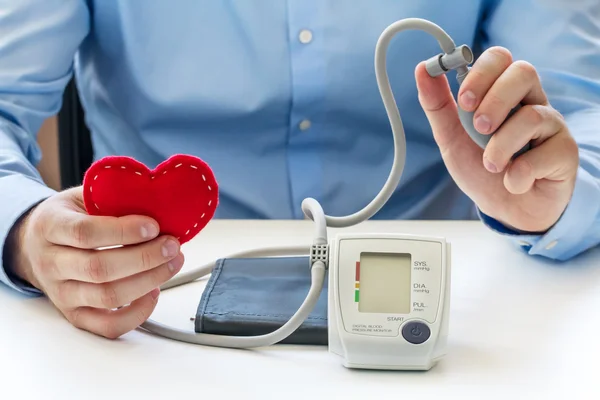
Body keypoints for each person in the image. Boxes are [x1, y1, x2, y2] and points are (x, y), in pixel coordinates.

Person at [1, 1, 599, 339]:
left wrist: (557, 198)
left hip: (456, 315)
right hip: (153, 317)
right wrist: (26, 231)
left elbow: (586, 116)